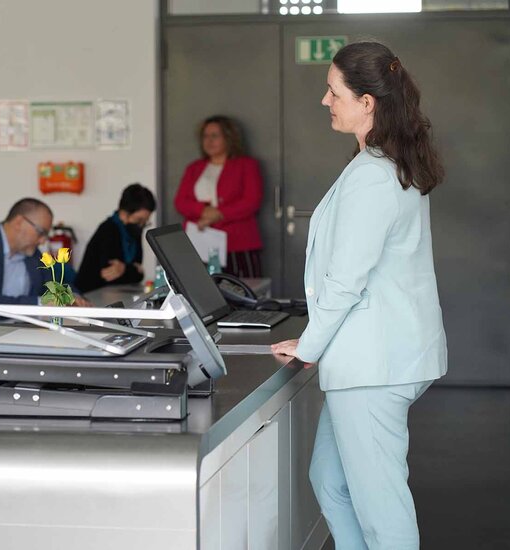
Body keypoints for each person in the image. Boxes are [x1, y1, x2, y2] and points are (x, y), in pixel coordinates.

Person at [271, 42, 447, 549]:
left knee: (380, 508)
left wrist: (309, 345)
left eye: (334, 92)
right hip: (377, 359)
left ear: (367, 102)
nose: (326, 100)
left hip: (376, 366)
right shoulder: (381, 161)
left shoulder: (374, 174)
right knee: (330, 481)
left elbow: (347, 280)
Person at [0, 198, 89, 306]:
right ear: (19, 222)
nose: (43, 241)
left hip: (22, 331)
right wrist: (42, 303)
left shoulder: (32, 253)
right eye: (41, 232)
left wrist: (72, 295)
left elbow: (54, 282)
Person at [174, 115, 264, 278]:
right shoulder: (194, 168)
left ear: (229, 138)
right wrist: (203, 211)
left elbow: (251, 201)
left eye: (215, 136)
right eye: (205, 136)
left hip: (238, 244)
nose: (209, 141)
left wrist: (218, 214)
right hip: (200, 242)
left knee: (243, 292)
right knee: (202, 293)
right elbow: (180, 202)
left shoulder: (246, 165)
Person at [75, 183, 156, 293]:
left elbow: (139, 273)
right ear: (123, 214)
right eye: (139, 220)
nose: (141, 225)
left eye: (145, 222)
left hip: (117, 292)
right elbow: (110, 276)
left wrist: (124, 269)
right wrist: (132, 269)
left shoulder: (134, 230)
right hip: (92, 293)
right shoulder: (107, 230)